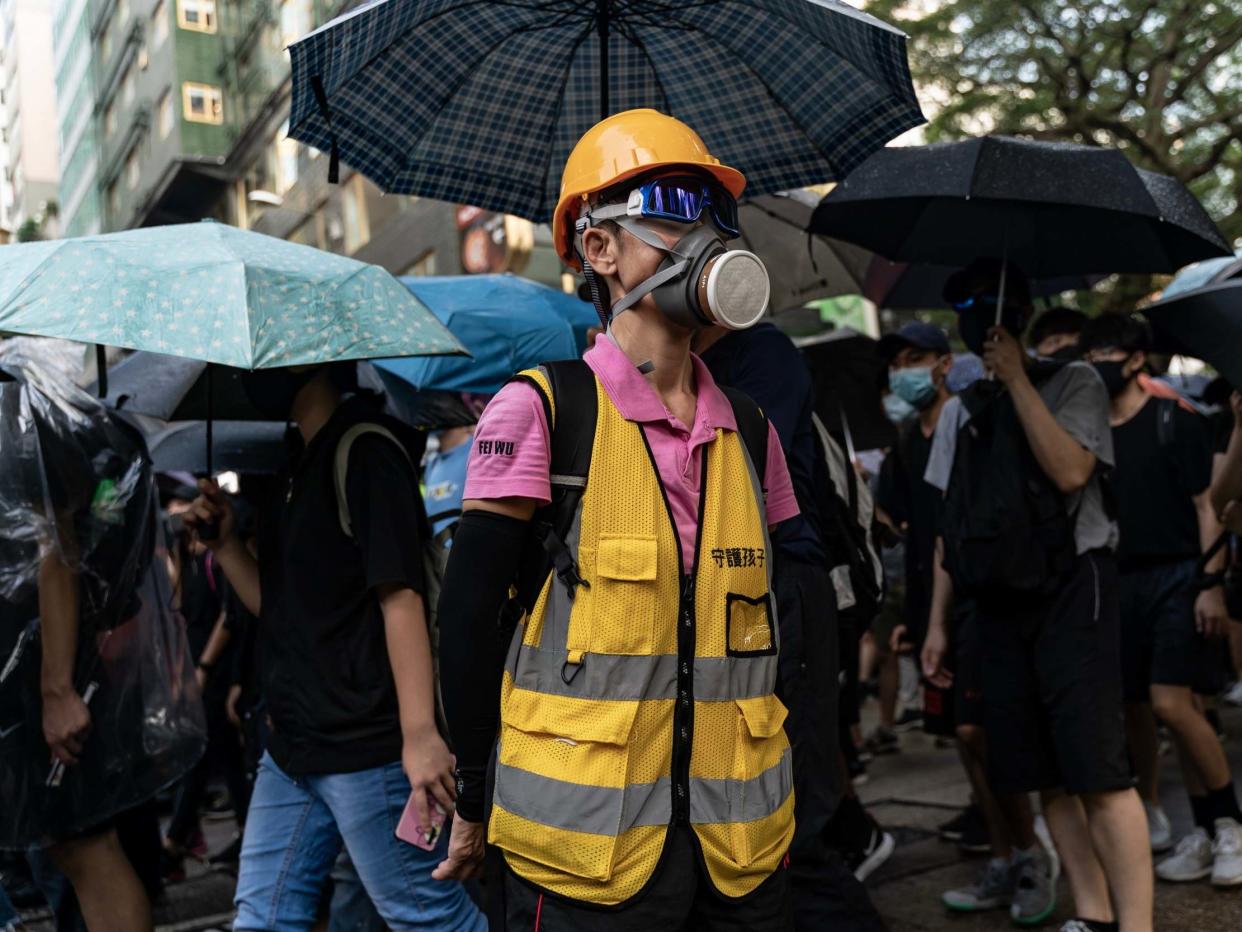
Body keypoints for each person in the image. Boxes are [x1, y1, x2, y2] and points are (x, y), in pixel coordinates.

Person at [433, 109, 800, 929]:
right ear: (599, 249)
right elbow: (466, 622)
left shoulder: (752, 428)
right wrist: (473, 789)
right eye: (674, 209)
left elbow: (789, 617)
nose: (705, 237)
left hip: (738, 851)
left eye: (717, 217)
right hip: (583, 859)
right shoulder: (540, 409)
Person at [184, 364, 486, 932]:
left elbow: (402, 599)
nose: (249, 373)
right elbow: (280, 608)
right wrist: (224, 543)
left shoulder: (367, 452)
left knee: (427, 917)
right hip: (293, 747)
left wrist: (420, 738)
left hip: (366, 749)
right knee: (264, 917)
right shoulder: (293, 461)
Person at [921, 258, 1153, 932]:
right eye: (961, 302)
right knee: (1043, 770)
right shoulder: (964, 409)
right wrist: (939, 625)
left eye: (987, 302)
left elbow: (1070, 470)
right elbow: (949, 527)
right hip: (995, 603)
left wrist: (1020, 377)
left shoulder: (1074, 380)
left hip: (1073, 591)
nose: (976, 315)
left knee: (1099, 770)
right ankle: (1093, 913)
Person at [697, 320, 888, 929]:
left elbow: (737, 470)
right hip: (718, 596)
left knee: (791, 824)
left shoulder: (761, 351)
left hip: (782, 585)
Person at [1079, 315, 1242, 886]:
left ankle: (1230, 823)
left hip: (1180, 576)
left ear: (1135, 359)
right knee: (1144, 711)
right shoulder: (1092, 431)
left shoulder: (1175, 418)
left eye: (1109, 349)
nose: (1098, 358)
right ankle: (1202, 828)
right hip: (1120, 583)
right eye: (1091, 348)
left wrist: (1210, 584)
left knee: (1173, 703)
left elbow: (1208, 507)